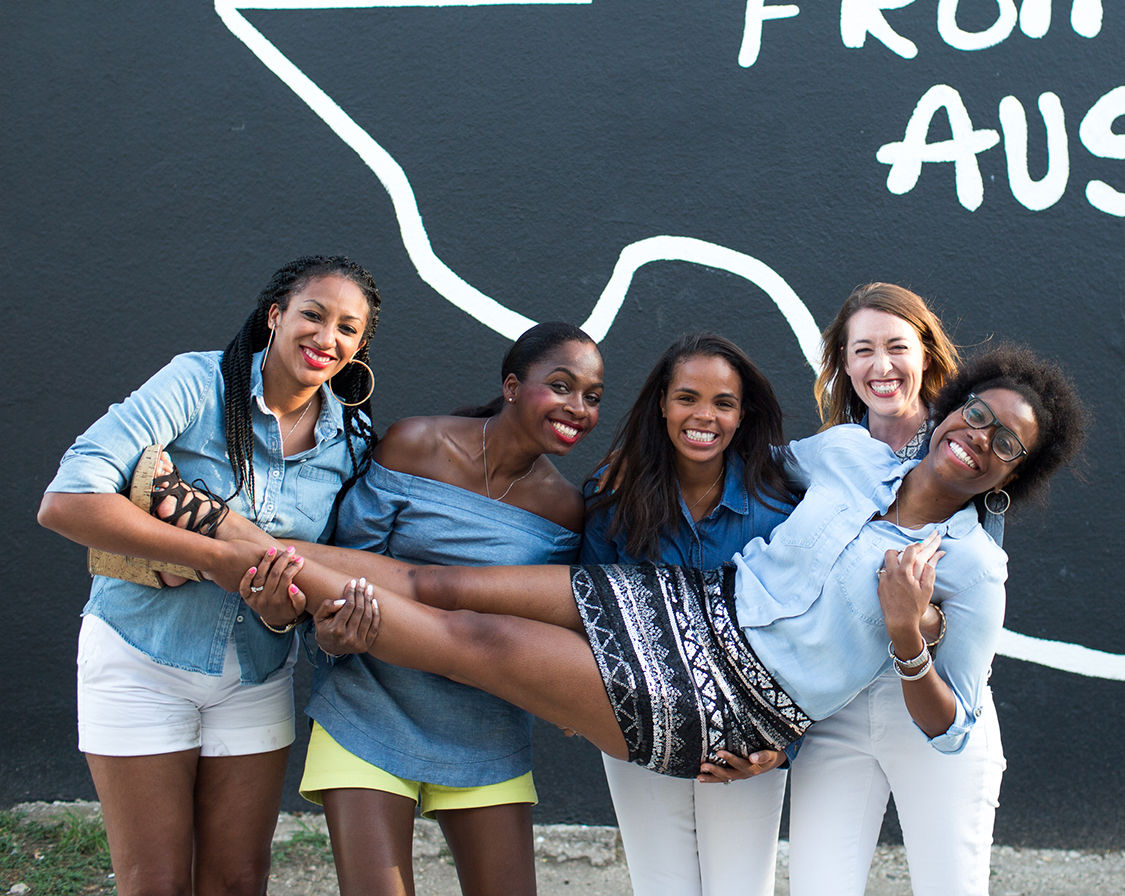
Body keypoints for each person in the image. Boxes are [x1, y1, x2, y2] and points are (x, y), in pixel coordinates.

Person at [141, 344, 1086, 806]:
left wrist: (906, 643)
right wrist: (651, 457)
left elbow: (955, 728)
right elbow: (722, 444)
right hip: (687, 605)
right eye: (976, 416)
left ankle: (204, 554)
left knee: (472, 643)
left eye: (1005, 443)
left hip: (729, 702)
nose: (979, 440)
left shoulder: (968, 569)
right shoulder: (842, 456)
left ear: (1015, 470)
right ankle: (221, 528)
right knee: (430, 580)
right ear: (950, 410)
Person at [38, 255, 382, 896]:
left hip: (254, 676)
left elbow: (313, 586)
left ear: (360, 344)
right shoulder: (197, 383)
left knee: (237, 881)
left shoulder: (351, 442)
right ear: (276, 316)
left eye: (347, 328)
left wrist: (306, 619)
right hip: (141, 659)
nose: (325, 338)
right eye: (312, 314)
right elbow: (67, 500)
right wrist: (219, 556)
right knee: (156, 883)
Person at [299, 322, 604, 896]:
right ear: (513, 386)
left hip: (484, 726)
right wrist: (333, 636)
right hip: (368, 709)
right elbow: (342, 568)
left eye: (592, 396)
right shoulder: (416, 443)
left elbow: (544, 623)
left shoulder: (566, 510)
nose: (579, 407)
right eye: (561, 386)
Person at [785, 282, 1006, 896]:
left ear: (928, 355)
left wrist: (923, 622)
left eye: (896, 347)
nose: (880, 367)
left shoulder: (965, 450)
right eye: (862, 350)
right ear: (842, 363)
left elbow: (972, 598)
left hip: (934, 703)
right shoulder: (827, 453)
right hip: (836, 707)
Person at [580, 333, 796, 896]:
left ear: (744, 414)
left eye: (723, 403)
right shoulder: (612, 500)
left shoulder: (781, 511)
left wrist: (782, 748)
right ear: (661, 403)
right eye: (687, 398)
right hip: (640, 730)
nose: (704, 416)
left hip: (744, 742)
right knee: (661, 887)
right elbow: (585, 611)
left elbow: (807, 639)